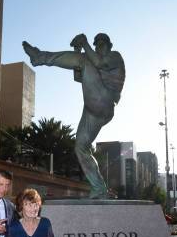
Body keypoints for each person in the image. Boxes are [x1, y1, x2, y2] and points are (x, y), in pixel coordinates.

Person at [23, 33, 125, 198]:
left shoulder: (115, 56)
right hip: (92, 110)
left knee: (85, 59)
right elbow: (78, 76)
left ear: (109, 45)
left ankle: (40, 57)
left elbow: (98, 62)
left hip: (104, 100)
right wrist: (78, 49)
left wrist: (83, 44)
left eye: (102, 44)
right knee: (80, 147)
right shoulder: (93, 60)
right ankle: (99, 188)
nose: (99, 47)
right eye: (96, 44)